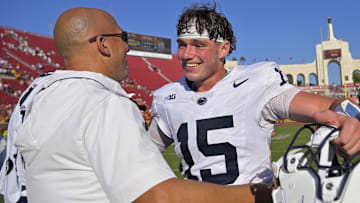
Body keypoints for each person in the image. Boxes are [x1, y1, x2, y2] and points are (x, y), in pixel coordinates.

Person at [0, 7, 273, 203]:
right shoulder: (104, 103)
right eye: (123, 38)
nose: (128, 48)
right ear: (103, 44)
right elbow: (158, 196)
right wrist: (258, 194)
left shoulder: (37, 99)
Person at [149, 3, 360, 186]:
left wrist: (347, 118)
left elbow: (327, 108)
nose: (187, 54)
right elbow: (144, 153)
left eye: (198, 45)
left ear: (223, 49)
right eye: (182, 45)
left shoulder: (256, 83)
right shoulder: (169, 98)